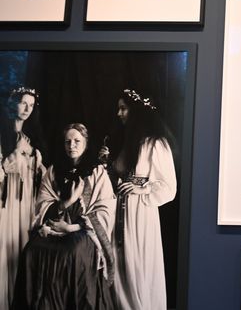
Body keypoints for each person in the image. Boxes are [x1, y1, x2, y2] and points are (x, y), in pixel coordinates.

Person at [12, 123, 116, 309]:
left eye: (77, 141)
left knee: (72, 251)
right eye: (68, 142)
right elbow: (42, 205)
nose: (72, 145)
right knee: (30, 250)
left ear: (85, 143)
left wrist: (72, 227)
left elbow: (105, 209)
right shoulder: (53, 171)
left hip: (83, 231)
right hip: (54, 227)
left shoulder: (97, 172)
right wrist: (66, 203)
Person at [104, 89, 176, 310]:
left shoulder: (156, 144)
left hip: (140, 214)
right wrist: (107, 163)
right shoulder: (126, 142)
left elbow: (169, 188)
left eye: (123, 108)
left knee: (138, 263)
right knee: (120, 263)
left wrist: (141, 188)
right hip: (119, 211)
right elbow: (117, 178)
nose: (119, 113)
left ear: (136, 111)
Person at [0, 86, 47, 310]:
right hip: (6, 199)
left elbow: (43, 175)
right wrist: (15, 152)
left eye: (31, 104)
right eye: (23, 103)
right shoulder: (2, 134)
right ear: (13, 103)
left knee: (23, 245)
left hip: (27, 199)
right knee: (5, 246)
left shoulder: (34, 137)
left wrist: (35, 157)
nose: (27, 108)